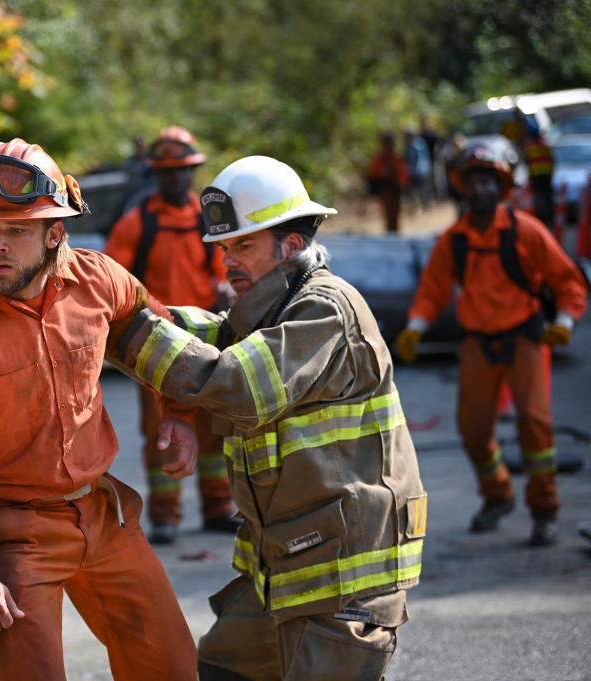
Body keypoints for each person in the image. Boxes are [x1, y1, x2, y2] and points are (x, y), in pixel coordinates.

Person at [0, 138, 199, 680]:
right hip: (11, 533)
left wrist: (178, 410)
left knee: (171, 666)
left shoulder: (98, 280)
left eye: (16, 230)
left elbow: (161, 333)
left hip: (103, 515)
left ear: (55, 234)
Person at [107, 156, 427, 680]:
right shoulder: (273, 311)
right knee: (216, 671)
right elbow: (206, 337)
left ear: (292, 246)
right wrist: (112, 314)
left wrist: (129, 331)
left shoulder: (325, 310)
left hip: (340, 580)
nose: (227, 263)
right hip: (286, 569)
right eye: (225, 248)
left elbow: (235, 383)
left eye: (244, 246)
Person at [396, 146, 587, 546]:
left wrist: (565, 322)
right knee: (473, 431)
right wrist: (415, 328)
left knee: (535, 425)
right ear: (464, 187)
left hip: (524, 341)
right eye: (473, 181)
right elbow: (432, 291)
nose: (480, 189)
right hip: (477, 347)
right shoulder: (455, 240)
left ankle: (544, 509)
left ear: (501, 187)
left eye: (488, 181)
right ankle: (498, 495)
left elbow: (568, 280)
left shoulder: (527, 230)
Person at [105, 125, 238, 544]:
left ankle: (218, 507)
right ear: (155, 174)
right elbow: (111, 282)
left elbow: (229, 267)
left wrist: (227, 288)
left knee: (214, 428)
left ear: (194, 171)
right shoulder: (136, 223)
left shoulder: (209, 220)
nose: (176, 178)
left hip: (209, 337)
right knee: (162, 429)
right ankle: (165, 515)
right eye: (167, 171)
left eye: (182, 170)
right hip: (155, 345)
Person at [366, 131, 411, 232]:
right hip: (385, 190)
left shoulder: (396, 158)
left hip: (396, 190)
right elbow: (372, 174)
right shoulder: (380, 159)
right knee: (388, 213)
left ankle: (394, 232)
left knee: (395, 213)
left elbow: (404, 175)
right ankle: (390, 233)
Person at [405, 129, 432, 207]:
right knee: (419, 189)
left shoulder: (416, 143)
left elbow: (415, 158)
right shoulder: (418, 142)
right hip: (420, 170)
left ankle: (425, 205)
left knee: (422, 189)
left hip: (418, 171)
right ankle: (419, 205)